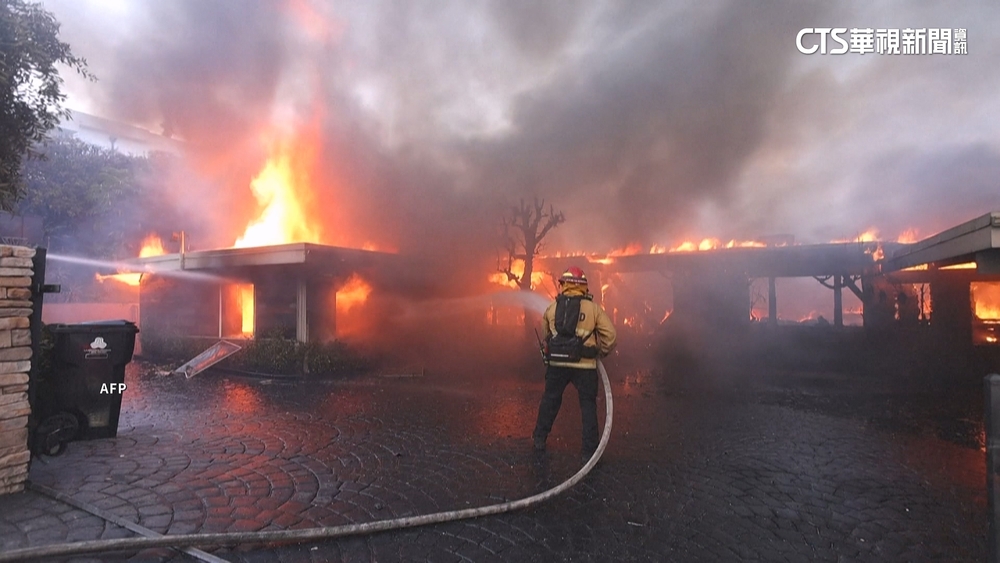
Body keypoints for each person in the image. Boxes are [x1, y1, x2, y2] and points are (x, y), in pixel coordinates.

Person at [533, 266, 617, 463]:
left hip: (557, 365)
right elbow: (611, 336)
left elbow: (547, 334)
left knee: (550, 400)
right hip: (585, 367)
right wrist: (600, 353)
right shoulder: (593, 309)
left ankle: (539, 438)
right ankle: (589, 451)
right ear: (583, 286)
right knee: (587, 406)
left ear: (564, 284)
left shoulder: (552, 309)